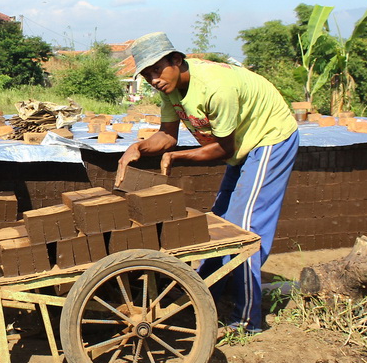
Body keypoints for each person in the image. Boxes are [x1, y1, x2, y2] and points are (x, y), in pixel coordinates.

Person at [115, 32, 299, 334]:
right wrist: (139, 147)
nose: (153, 79)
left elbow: (223, 149)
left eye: (157, 70)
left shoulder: (215, 88)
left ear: (176, 60)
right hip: (241, 144)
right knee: (221, 220)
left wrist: (178, 158)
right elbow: (167, 136)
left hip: (268, 138)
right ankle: (210, 292)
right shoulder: (170, 89)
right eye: (147, 74)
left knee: (244, 230)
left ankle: (246, 321)